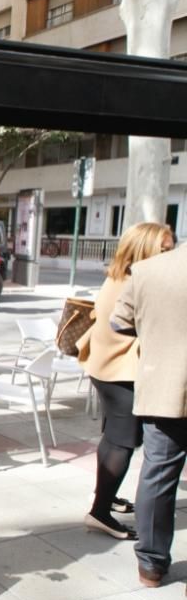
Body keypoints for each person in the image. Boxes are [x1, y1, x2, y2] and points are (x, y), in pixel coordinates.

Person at [78, 223, 174, 541]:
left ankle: (106, 497)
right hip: (121, 372)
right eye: (164, 249)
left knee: (112, 438)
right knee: (123, 441)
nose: (169, 255)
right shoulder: (140, 280)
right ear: (146, 249)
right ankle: (100, 511)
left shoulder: (118, 275)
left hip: (104, 367)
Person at [110, 237, 186, 588]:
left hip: (165, 387)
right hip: (165, 389)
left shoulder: (147, 271)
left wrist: (154, 330)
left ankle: (151, 566)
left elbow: (118, 322)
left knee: (158, 475)